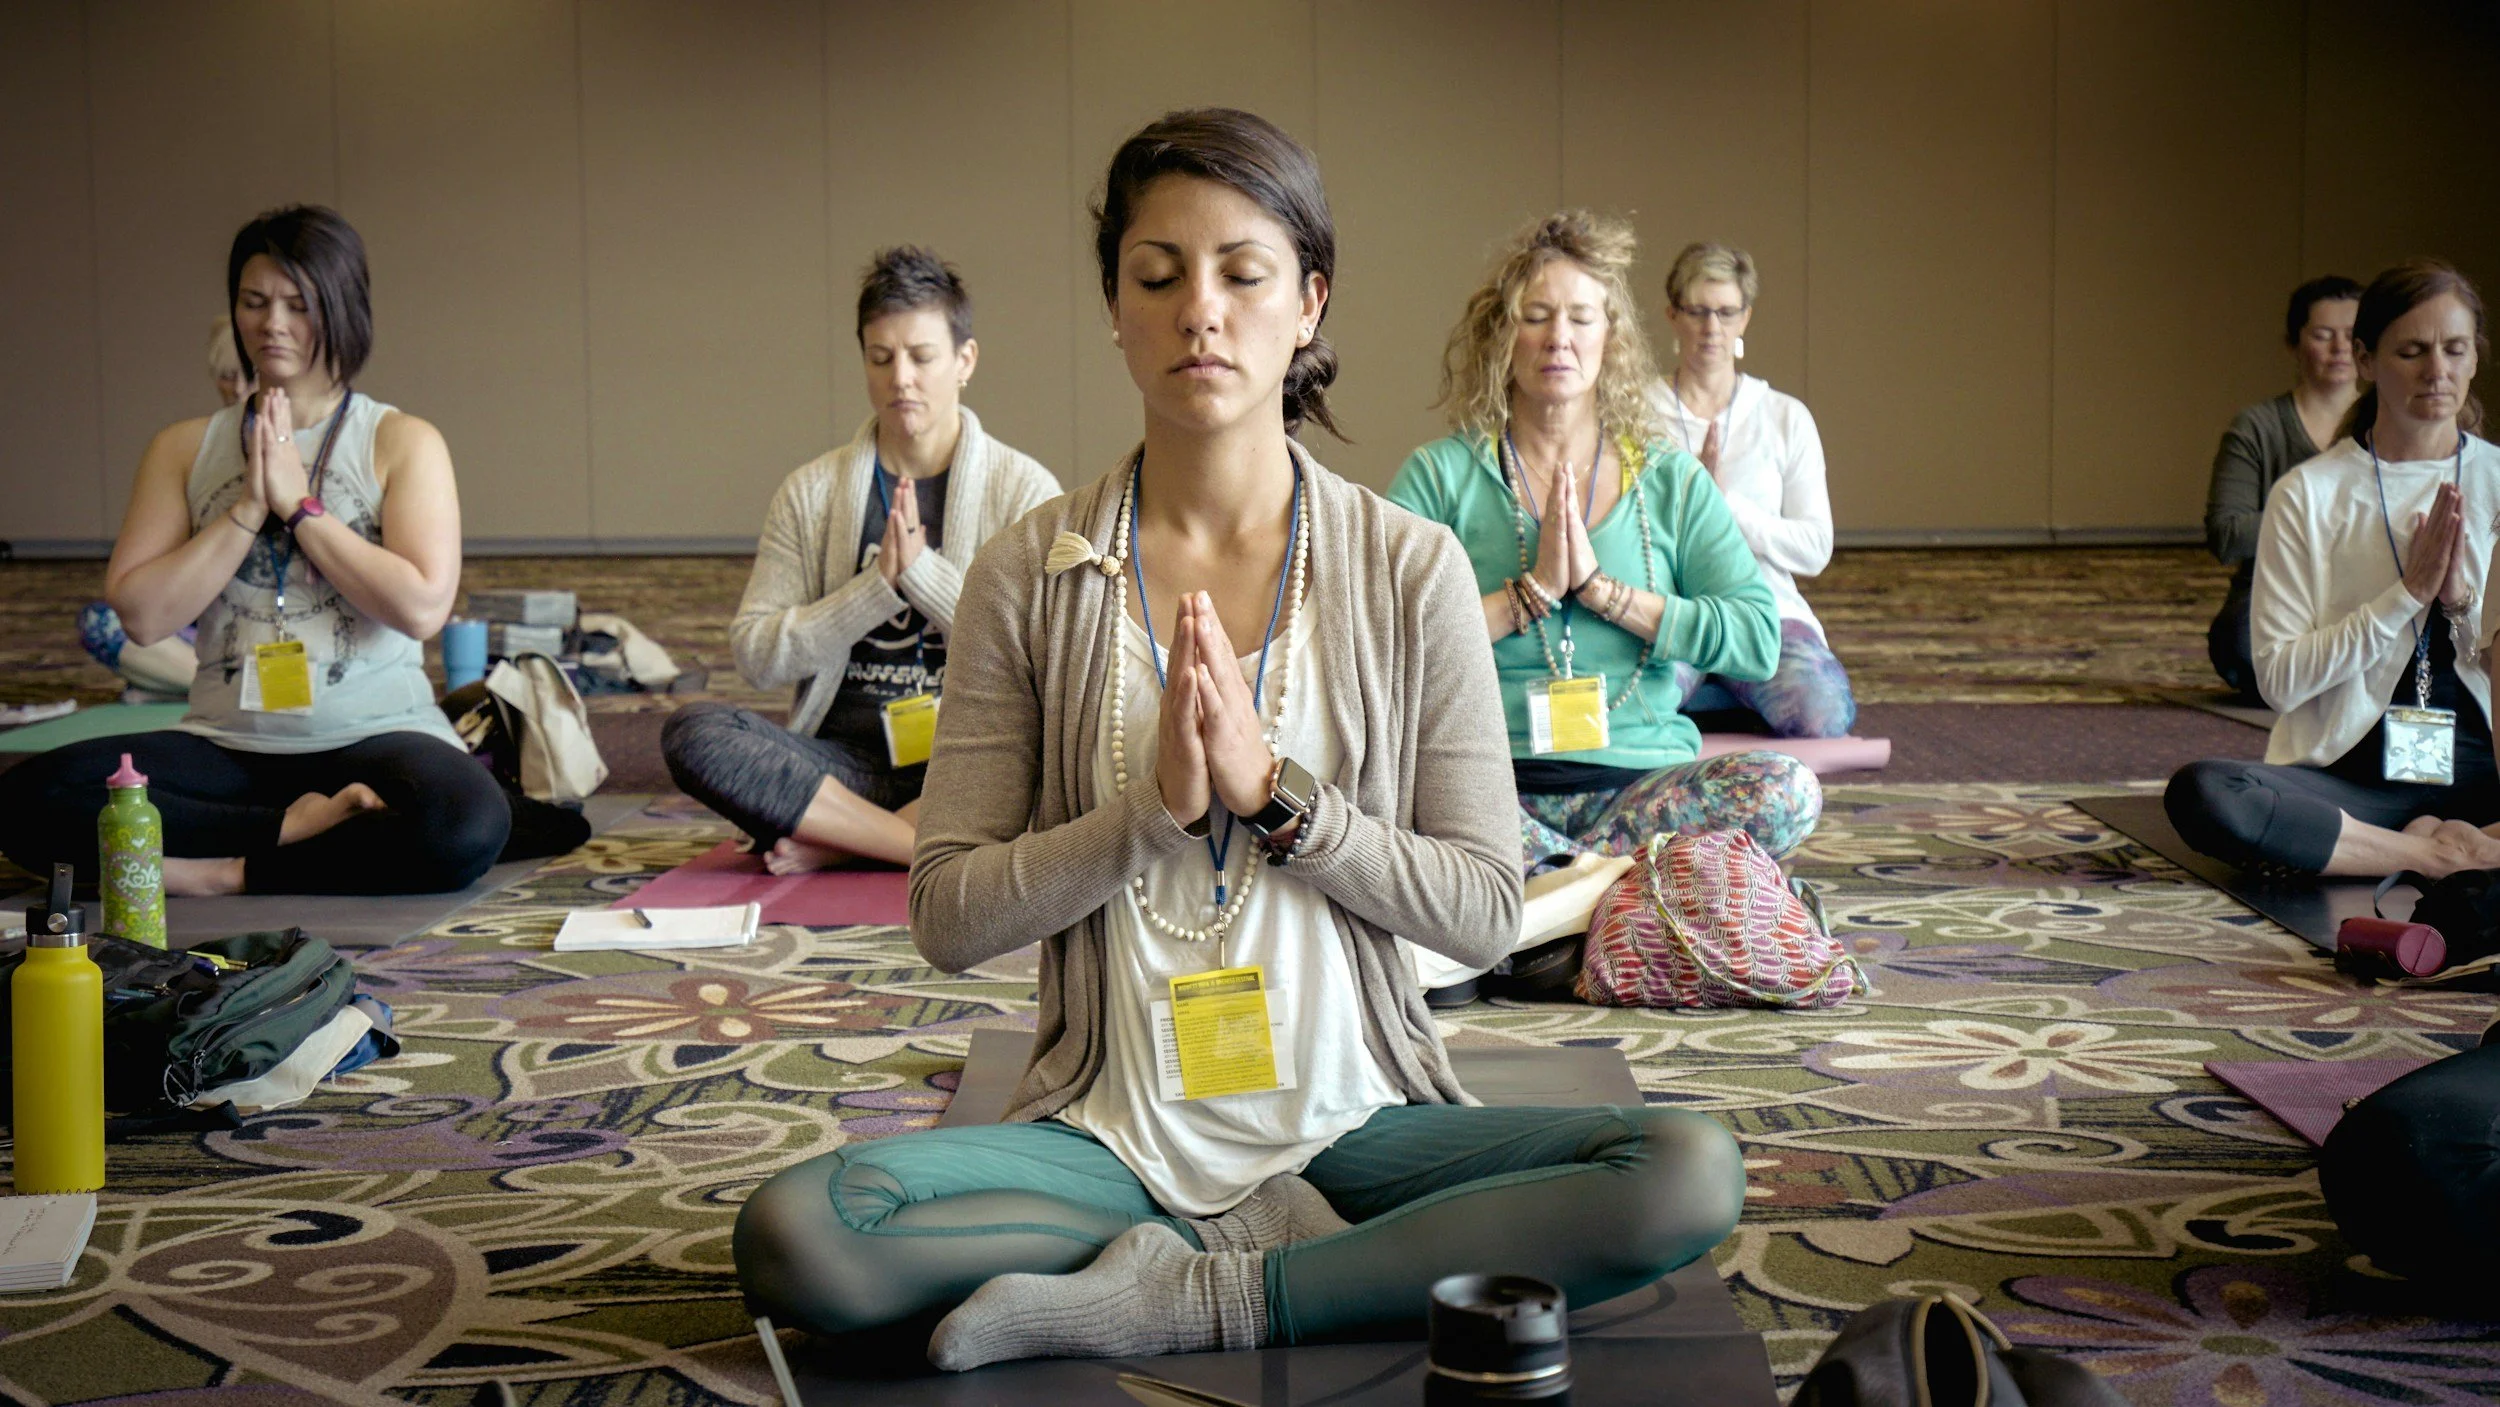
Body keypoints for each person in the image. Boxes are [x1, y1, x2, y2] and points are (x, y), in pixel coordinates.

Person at [732, 109, 1744, 1368]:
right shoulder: (1022, 576)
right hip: (1109, 1133)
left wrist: (1285, 801)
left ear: (1308, 302)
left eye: (1242, 274)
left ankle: (1211, 1294)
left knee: (1685, 1170)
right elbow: (946, 916)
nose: (1198, 311)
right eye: (1157, 277)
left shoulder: (1406, 568)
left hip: (1353, 1125)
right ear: (1114, 305)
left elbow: (1484, 911)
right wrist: (1139, 820)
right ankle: (1290, 1260)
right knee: (803, 1235)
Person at [0, 205, 507, 894]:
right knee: (29, 796)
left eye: (299, 305)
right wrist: (245, 508)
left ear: (344, 310)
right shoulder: (183, 447)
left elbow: (421, 607)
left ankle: (224, 871)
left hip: (378, 733)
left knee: (465, 820)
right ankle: (287, 832)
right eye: (254, 301)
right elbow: (143, 616)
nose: (272, 324)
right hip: (226, 741)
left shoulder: (402, 441)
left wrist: (301, 507)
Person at [1387, 212, 1819, 888]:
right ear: (1503, 333)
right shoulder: (1439, 475)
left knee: (1788, 790)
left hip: (1639, 787)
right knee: (1379, 799)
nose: (1559, 337)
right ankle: (1621, 887)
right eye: (1535, 315)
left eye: (1581, 317)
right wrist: (1526, 596)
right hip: (1490, 788)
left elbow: (1757, 638)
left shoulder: (1670, 478)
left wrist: (1607, 594)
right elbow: (1381, 641)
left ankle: (1548, 891)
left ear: (1610, 336)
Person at [661, 248, 1060, 872]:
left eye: (921, 357)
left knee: (1061, 761)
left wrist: (922, 578)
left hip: (967, 762)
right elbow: (757, 654)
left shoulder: (1023, 490)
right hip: (842, 769)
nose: (901, 377)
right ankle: (902, 844)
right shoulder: (810, 493)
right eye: (881, 358)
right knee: (694, 735)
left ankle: (840, 843)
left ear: (964, 361)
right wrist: (872, 591)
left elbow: (1043, 657)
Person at [2165, 261, 2496, 878]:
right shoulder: (2309, 494)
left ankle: (2424, 845)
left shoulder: (2497, 482)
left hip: (2485, 772)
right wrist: (2403, 597)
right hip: (2356, 780)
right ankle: (2435, 856)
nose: (2437, 371)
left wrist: (2458, 605)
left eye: (2454, 350)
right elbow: (2282, 683)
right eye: (2413, 351)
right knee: (2209, 793)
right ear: (2367, 361)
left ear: (2474, 357)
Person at [1647, 242, 1855, 737]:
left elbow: (1814, 548)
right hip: (1673, 609)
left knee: (1824, 715)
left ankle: (1729, 692)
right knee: (1620, 716)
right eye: (1697, 311)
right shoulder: (1636, 414)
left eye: (1725, 312)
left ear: (1746, 318)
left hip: (1764, 612)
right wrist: (1686, 505)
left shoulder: (1784, 416)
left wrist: (1726, 510)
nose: (1711, 327)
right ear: (1673, 315)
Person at [2203, 276, 2365, 700]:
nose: (2339, 349)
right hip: (2275, 592)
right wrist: (2321, 516)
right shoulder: (2257, 428)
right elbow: (2228, 535)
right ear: (2294, 344)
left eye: (2352, 336)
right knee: (2238, 639)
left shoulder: (2389, 423)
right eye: (2323, 335)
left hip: (2366, 589)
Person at [80, 318, 245, 700]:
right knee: (102, 623)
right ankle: (218, 687)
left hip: (265, 623)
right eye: (226, 377)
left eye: (247, 377)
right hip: (194, 620)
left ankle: (180, 683)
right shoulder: (188, 449)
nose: (237, 390)